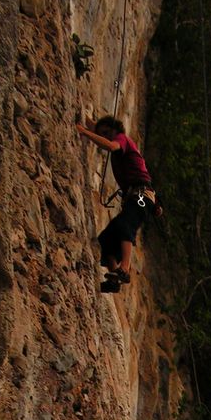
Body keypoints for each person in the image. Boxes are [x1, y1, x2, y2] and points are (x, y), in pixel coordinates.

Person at [76, 116, 162, 293]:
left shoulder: (121, 139)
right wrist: (87, 122)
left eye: (107, 133)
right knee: (105, 240)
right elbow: (98, 128)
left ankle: (124, 268)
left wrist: (85, 133)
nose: (105, 137)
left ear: (114, 130)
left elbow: (110, 145)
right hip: (139, 197)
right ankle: (115, 276)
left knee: (125, 225)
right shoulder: (115, 137)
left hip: (141, 195)